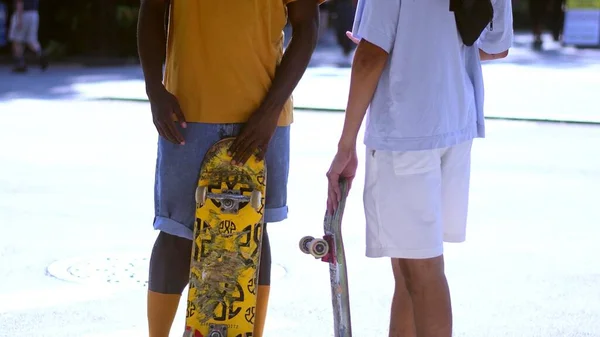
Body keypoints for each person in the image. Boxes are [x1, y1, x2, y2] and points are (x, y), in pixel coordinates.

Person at [326, 0, 513, 336]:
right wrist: (431, 47)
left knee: (422, 273)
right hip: (455, 122)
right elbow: (497, 46)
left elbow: (371, 56)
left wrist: (345, 146)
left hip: (406, 129)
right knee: (410, 270)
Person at [136, 0, 324, 336]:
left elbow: (307, 25)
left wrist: (270, 110)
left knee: (253, 234)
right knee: (176, 235)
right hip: (188, 114)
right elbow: (151, 10)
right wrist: (154, 89)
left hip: (265, 117)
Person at [7, 0, 47, 72]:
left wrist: (19, 19)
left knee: (17, 41)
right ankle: (41, 53)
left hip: (22, 13)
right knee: (32, 40)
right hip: (34, 14)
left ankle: (20, 64)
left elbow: (20, 2)